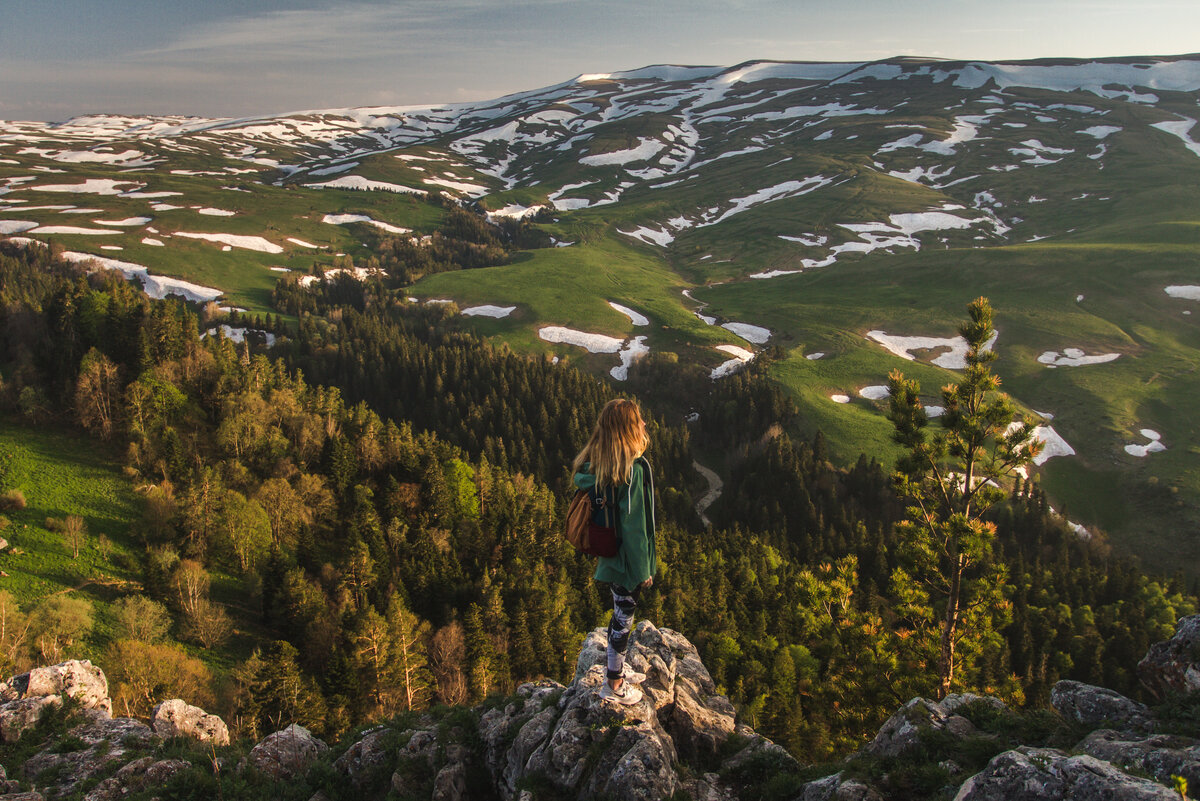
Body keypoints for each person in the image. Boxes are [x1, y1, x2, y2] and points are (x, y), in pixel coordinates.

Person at [572, 398, 657, 705]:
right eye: (639, 420)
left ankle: (616, 670)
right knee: (623, 619)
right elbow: (634, 528)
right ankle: (614, 683)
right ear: (628, 429)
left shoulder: (598, 465)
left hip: (609, 553)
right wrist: (643, 569)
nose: (644, 424)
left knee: (619, 614)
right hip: (626, 561)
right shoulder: (632, 470)